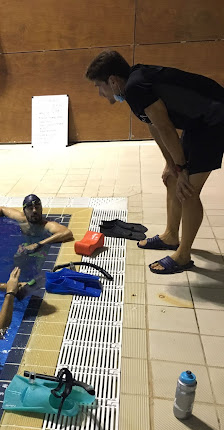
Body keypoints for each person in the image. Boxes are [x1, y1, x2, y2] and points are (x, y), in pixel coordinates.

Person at [86, 50, 224, 274]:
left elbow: (166, 127)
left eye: (99, 87)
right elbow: (155, 125)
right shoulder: (132, 87)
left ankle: (183, 255)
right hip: (198, 123)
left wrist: (183, 170)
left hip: (215, 119)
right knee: (173, 180)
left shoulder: (135, 86)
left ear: (112, 80)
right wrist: (172, 165)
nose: (100, 93)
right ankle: (171, 236)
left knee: (188, 190)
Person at [0, 194, 74, 255]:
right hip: (26, 244)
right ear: (24, 210)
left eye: (37, 207)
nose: (34, 211)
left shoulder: (47, 225)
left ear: (41, 208)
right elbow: (1, 209)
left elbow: (67, 233)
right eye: (30, 208)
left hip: (41, 249)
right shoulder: (21, 219)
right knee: (17, 258)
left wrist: (39, 244)